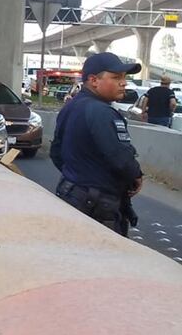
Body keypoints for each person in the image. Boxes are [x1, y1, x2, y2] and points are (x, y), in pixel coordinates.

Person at [51, 53, 144, 235]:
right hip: (97, 203)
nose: (124, 83)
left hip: (71, 191)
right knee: (104, 258)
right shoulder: (102, 112)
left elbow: (56, 152)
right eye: (116, 77)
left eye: (125, 78)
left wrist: (78, 175)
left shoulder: (71, 106)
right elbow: (122, 159)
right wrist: (136, 176)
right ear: (94, 80)